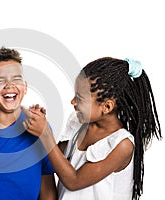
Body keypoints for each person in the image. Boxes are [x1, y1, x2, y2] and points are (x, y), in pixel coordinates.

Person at [23, 57, 162, 200]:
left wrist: (46, 135)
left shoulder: (121, 145)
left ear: (107, 107)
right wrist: (40, 126)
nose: (72, 102)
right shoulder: (77, 123)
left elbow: (74, 181)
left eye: (80, 98)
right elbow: (56, 160)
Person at [0, 47, 57, 200]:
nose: (9, 85)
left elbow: (48, 189)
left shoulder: (39, 128)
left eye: (16, 79)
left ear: (25, 87)